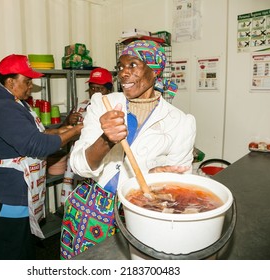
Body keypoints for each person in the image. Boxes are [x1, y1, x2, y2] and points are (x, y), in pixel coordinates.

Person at [59, 40, 196, 259]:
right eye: (120, 67)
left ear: (155, 71)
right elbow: (78, 166)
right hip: (92, 208)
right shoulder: (103, 104)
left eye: (133, 65)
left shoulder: (180, 122)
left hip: (141, 213)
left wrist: (157, 180)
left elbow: (181, 182)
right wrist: (106, 139)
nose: (123, 73)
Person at [0, 54, 82, 260]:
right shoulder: (4, 108)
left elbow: (34, 134)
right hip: (2, 196)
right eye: (27, 81)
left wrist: (61, 130)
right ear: (11, 82)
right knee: (10, 252)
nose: (31, 86)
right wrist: (75, 132)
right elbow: (37, 145)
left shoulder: (14, 102)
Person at [60, 67, 114, 205]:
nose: (94, 92)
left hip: (100, 161)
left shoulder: (113, 108)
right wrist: (68, 121)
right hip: (77, 159)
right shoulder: (81, 105)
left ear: (109, 90)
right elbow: (63, 131)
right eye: (92, 88)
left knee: (96, 202)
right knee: (76, 201)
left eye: (99, 89)